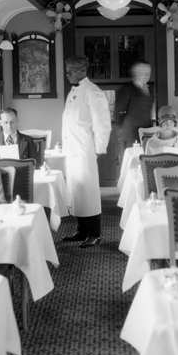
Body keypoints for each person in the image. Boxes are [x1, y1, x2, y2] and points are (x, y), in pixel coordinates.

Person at [61, 56, 111, 248]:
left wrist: (98, 148)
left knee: (89, 193)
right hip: (73, 150)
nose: (67, 75)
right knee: (77, 192)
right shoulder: (74, 91)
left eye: (69, 72)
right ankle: (82, 231)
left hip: (85, 150)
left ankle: (95, 234)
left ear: (81, 71)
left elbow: (102, 123)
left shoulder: (92, 92)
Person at [115, 61, 154, 154]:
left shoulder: (149, 89)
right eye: (142, 72)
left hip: (145, 133)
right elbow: (119, 112)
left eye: (148, 73)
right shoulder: (126, 89)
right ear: (135, 73)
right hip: (130, 134)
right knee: (130, 162)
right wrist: (121, 131)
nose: (146, 75)